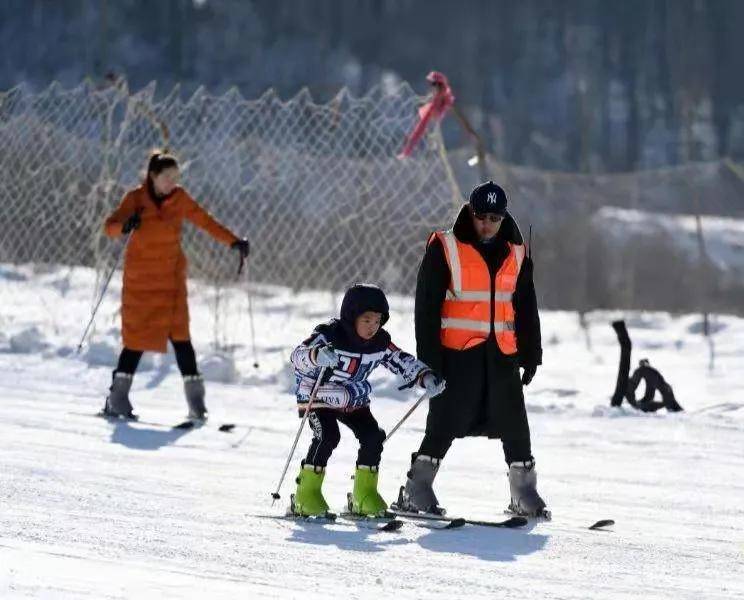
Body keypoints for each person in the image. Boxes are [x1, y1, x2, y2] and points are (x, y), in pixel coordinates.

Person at [394, 180, 548, 518]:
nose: (487, 224)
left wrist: (531, 352)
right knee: (445, 422)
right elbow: (427, 307)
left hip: (502, 354)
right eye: (481, 217)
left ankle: (523, 491)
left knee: (514, 424)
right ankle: (416, 488)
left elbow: (525, 303)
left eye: (494, 218)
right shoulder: (445, 247)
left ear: (503, 217)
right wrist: (429, 361)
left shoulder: (516, 251)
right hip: (457, 354)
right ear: (470, 212)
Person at [101, 150, 250, 421]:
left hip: (170, 282)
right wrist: (125, 225)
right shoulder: (135, 199)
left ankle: (196, 403)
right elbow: (109, 227)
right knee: (135, 339)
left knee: (182, 340)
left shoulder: (179, 199)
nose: (171, 182)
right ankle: (117, 398)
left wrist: (233, 241)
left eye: (175, 177)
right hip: (141, 282)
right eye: (167, 177)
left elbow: (205, 221)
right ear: (153, 176)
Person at [289, 283, 445, 517]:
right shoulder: (329, 335)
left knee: (373, 437)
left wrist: (424, 376)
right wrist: (316, 355)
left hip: (353, 397)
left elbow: (400, 360)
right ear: (351, 317)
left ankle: (364, 494)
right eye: (367, 320)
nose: (373, 327)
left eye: (378, 321)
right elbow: (297, 356)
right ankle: (306, 494)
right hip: (320, 394)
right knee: (328, 436)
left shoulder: (379, 342)